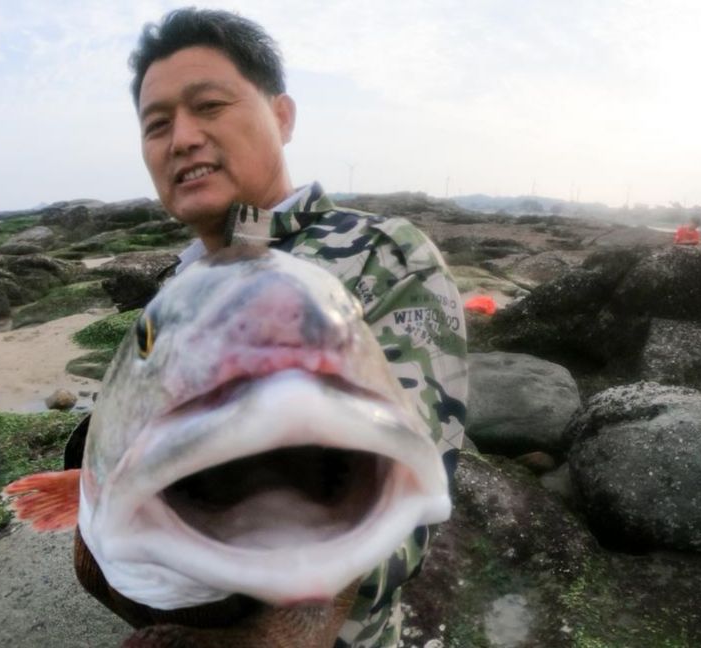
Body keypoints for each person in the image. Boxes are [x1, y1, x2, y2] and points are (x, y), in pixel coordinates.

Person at [65, 8, 468, 647]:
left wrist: (276, 636)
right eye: (158, 124)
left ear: (281, 116)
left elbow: (413, 481)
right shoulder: (179, 280)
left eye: (210, 105)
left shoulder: (383, 251)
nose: (183, 138)